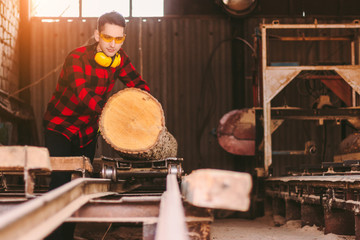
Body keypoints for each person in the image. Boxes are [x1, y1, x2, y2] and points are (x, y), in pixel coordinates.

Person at [43, 11, 150, 239]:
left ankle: (67, 236)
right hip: (60, 127)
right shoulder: (77, 58)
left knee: (79, 185)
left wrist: (145, 105)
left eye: (118, 39)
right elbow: (84, 94)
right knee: (61, 182)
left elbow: (139, 84)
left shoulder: (120, 59)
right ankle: (52, 237)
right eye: (107, 37)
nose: (113, 44)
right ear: (96, 35)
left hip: (88, 132)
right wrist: (114, 113)